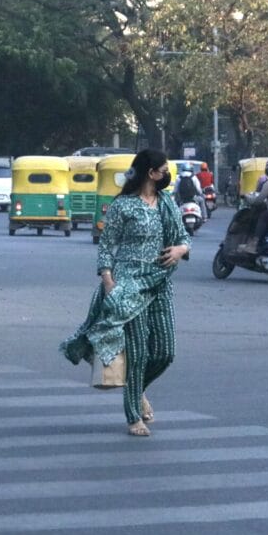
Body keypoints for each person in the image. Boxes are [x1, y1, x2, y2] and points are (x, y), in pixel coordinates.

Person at [61, 149, 191, 437]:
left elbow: (183, 237)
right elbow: (107, 245)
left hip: (159, 281)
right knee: (139, 353)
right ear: (151, 173)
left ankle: (137, 389)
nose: (167, 174)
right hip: (128, 284)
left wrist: (181, 250)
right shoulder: (123, 206)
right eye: (163, 169)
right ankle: (134, 414)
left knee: (166, 352)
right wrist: (108, 281)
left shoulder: (167, 203)